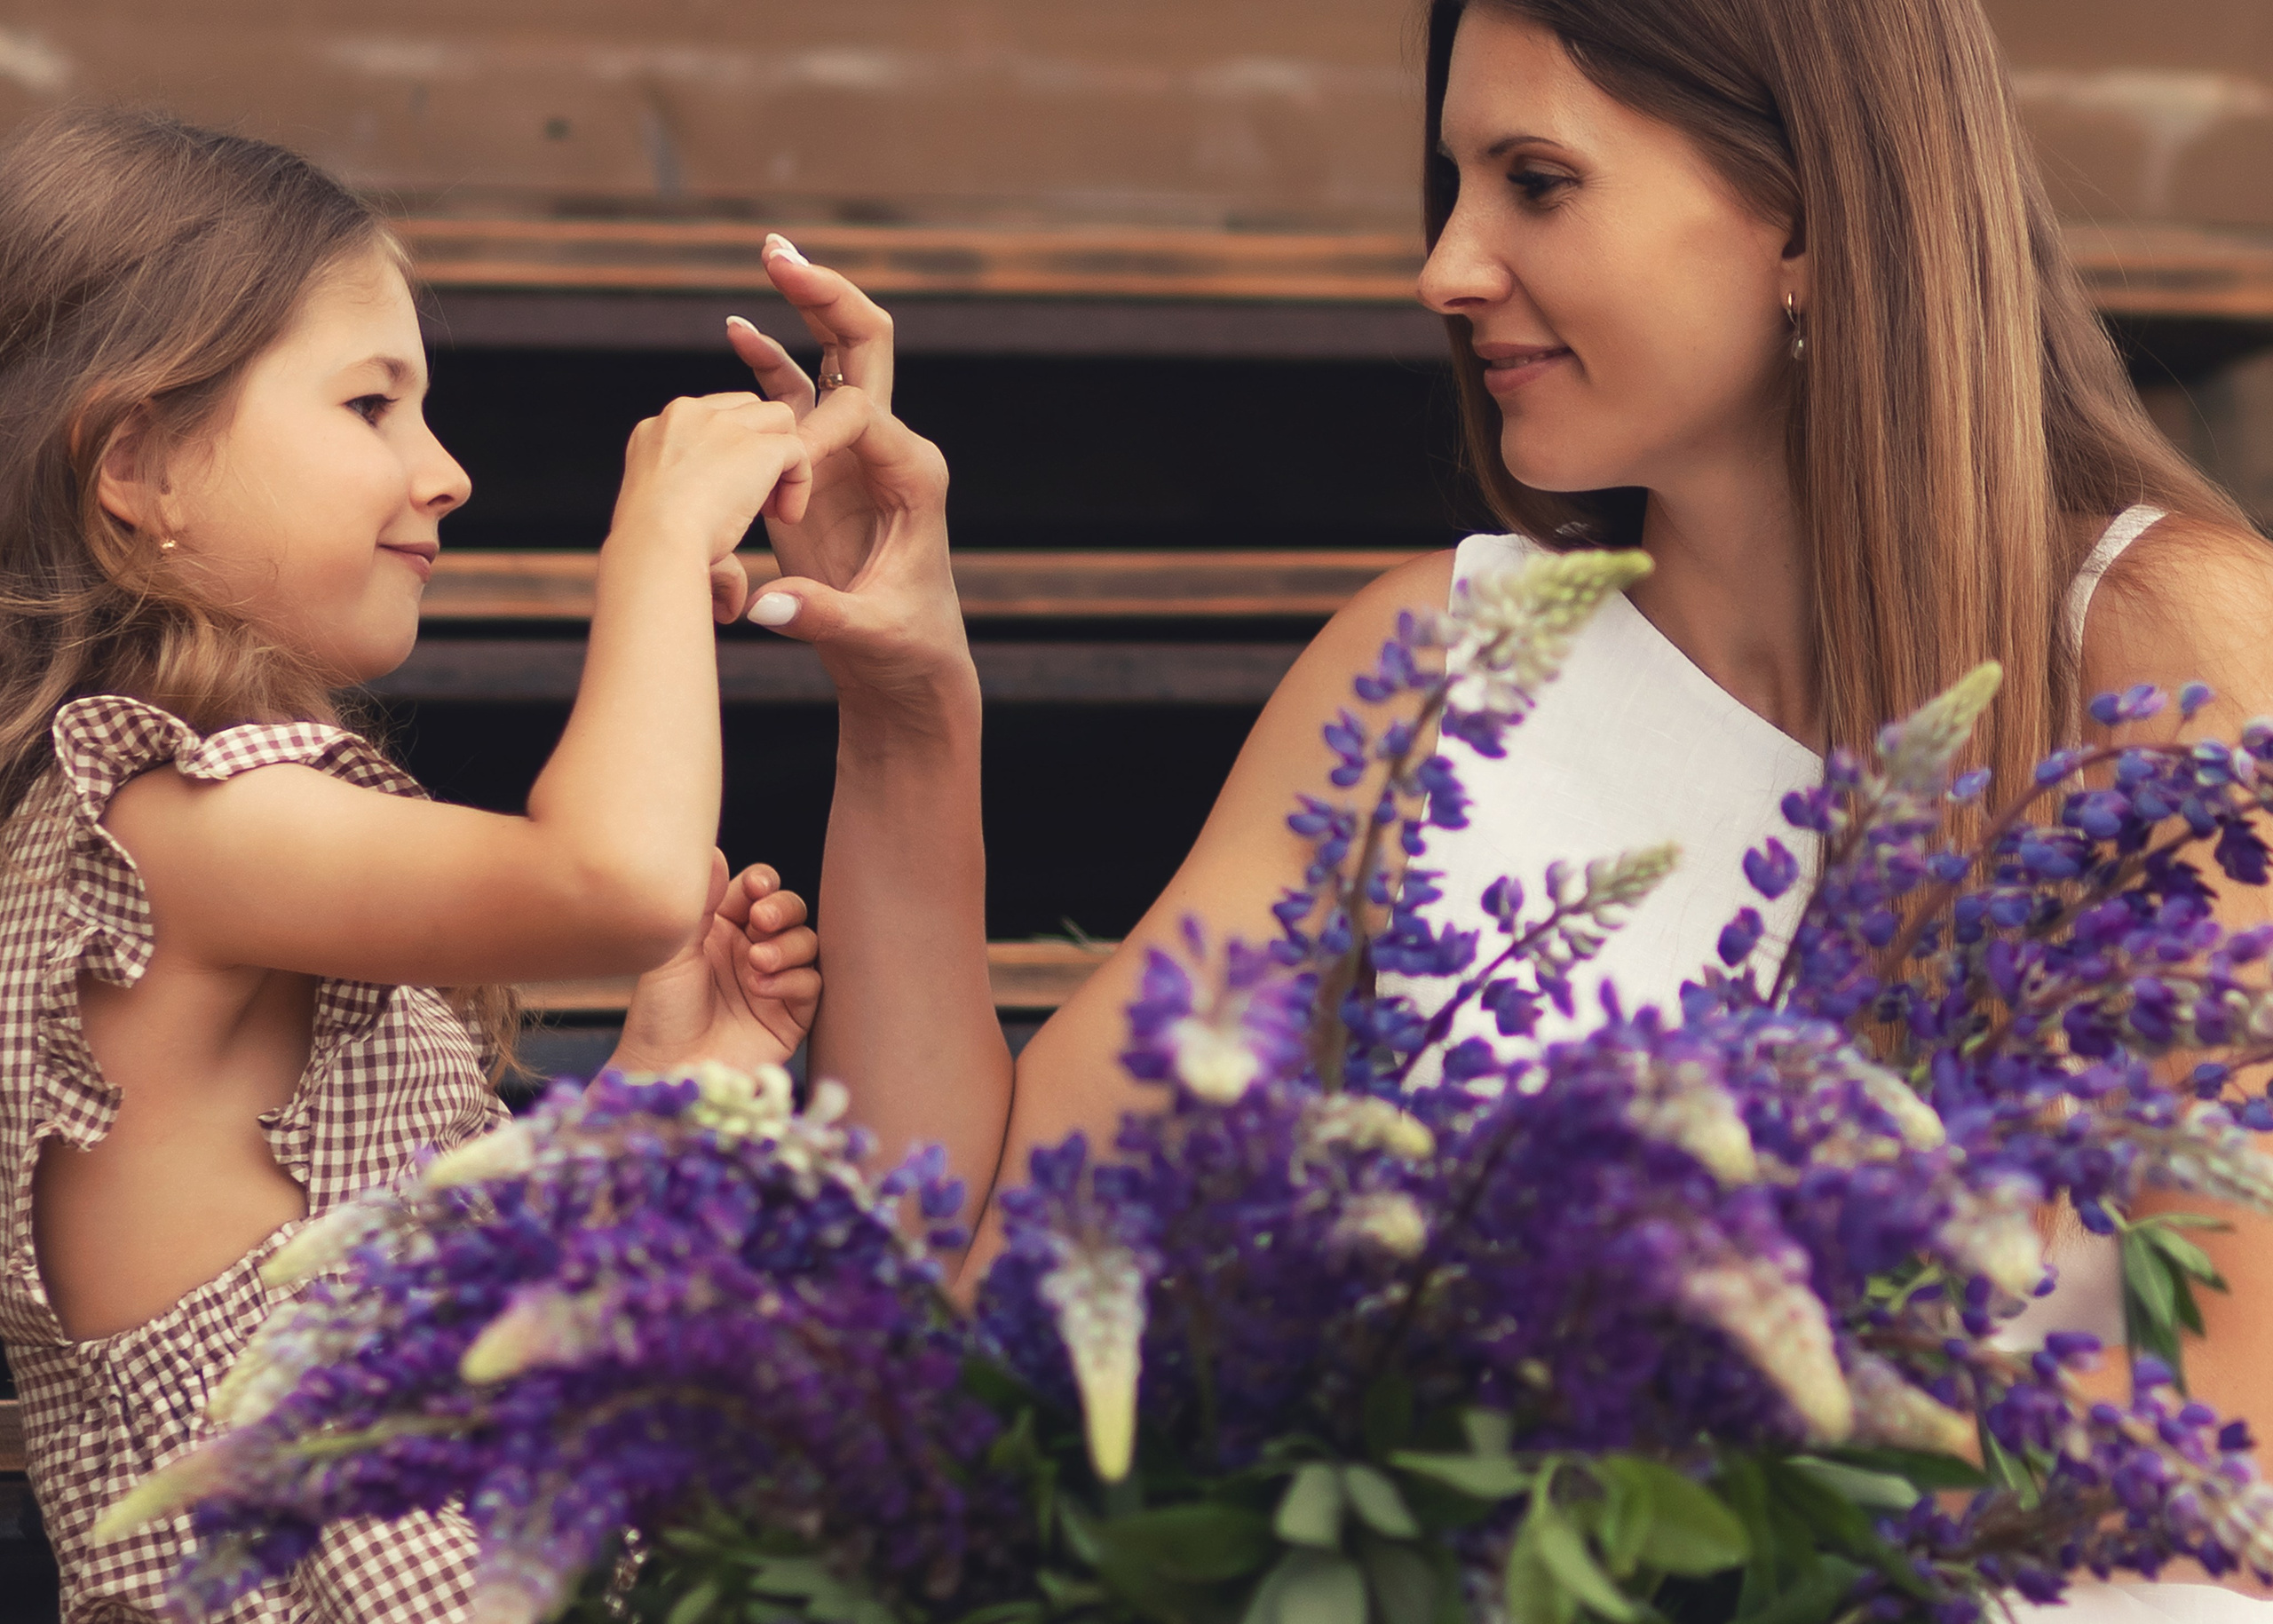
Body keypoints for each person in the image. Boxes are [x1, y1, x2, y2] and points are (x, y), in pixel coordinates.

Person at [772, 0, 2273, 1612]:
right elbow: (980, 1264)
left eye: (1537, 181)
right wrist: (905, 710)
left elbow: (2224, 1443)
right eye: (1457, 185)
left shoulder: (2166, 647)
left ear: (1818, 229)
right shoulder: (1434, 668)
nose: (1447, 266)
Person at [0, 108, 859, 1622]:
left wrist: (661, 1086)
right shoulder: (168, 830)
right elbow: (618, 881)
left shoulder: (211, 846)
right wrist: (657, 548)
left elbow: (460, 1319)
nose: (445, 470)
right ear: (137, 466)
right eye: (371, 405)